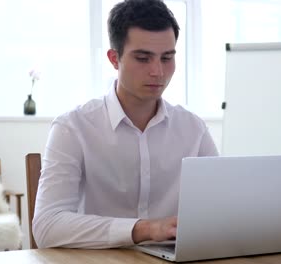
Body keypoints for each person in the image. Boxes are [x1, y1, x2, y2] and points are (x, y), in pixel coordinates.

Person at [32, 0, 218, 249]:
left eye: (167, 58)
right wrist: (144, 229)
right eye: (143, 58)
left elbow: (220, 212)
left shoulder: (193, 129)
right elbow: (47, 226)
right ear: (114, 58)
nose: (158, 72)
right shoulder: (73, 127)